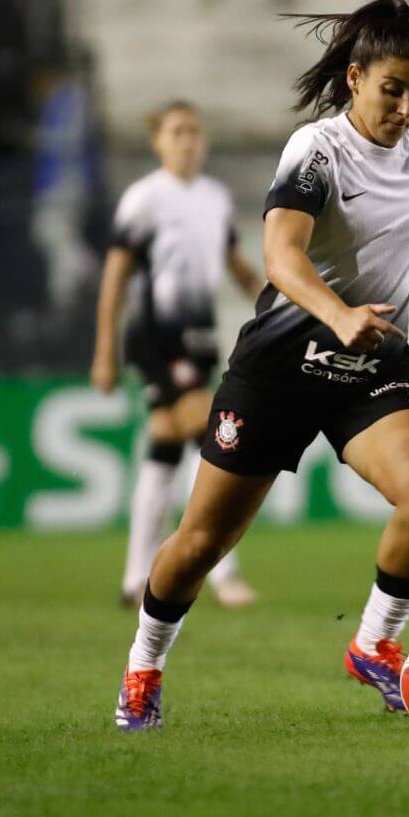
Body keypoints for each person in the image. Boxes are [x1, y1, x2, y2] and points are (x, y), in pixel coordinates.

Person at [112, 0, 409, 731]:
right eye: (393, 89)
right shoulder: (317, 150)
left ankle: (374, 645)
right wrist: (339, 312)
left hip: (370, 364)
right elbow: (280, 255)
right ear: (355, 78)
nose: (407, 106)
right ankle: (144, 665)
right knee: (201, 544)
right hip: (281, 367)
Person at [92, 100, 261, 610]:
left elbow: (235, 264)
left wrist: (280, 297)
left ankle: (133, 579)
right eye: (178, 131)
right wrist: (104, 347)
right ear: (158, 141)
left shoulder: (213, 196)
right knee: (214, 433)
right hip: (157, 336)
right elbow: (117, 273)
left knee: (165, 447)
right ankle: (223, 572)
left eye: (195, 131)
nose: (188, 140)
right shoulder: (144, 199)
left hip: (201, 335)